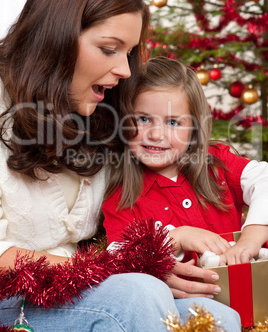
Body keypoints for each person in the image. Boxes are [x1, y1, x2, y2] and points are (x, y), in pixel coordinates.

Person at [0, 0, 241, 331]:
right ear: (56, 38)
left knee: (220, 317)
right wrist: (131, 269)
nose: (126, 71)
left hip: (77, 290)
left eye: (128, 53)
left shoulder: (103, 117)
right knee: (138, 294)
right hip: (12, 295)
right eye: (109, 49)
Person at [103, 56, 268, 268]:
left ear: (193, 129)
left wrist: (251, 237)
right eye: (143, 119)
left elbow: (264, 180)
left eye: (172, 122)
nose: (155, 134)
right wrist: (176, 239)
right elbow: (119, 259)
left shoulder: (217, 163)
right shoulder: (122, 195)